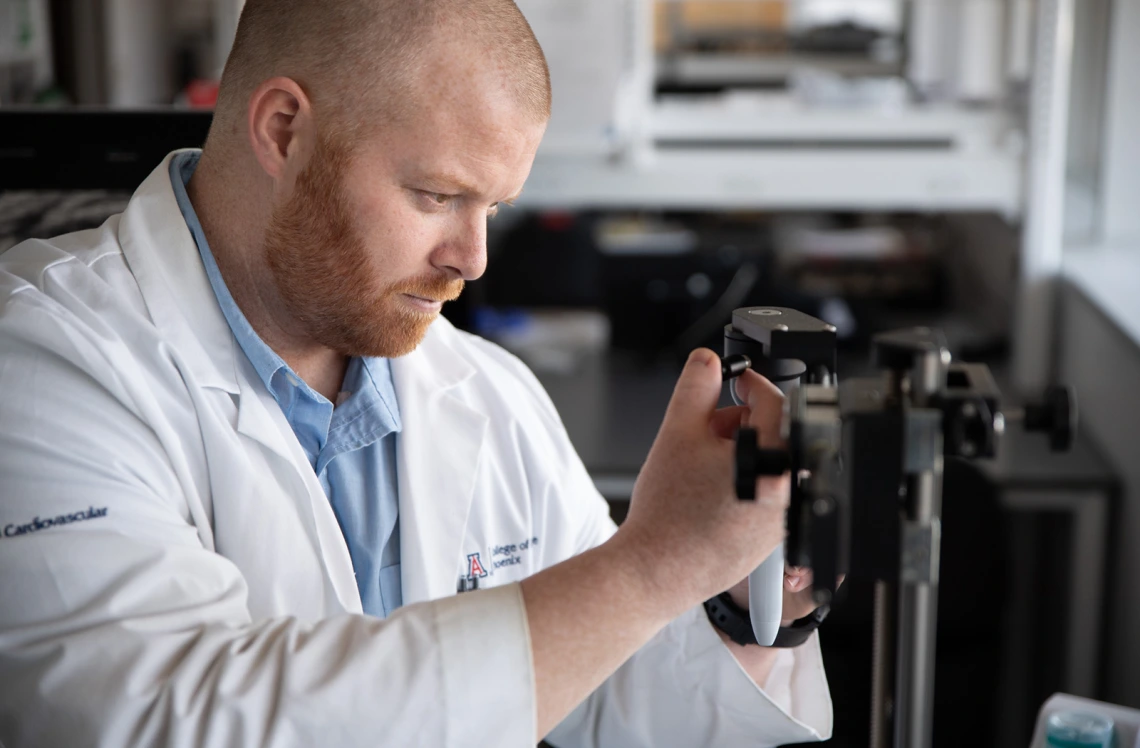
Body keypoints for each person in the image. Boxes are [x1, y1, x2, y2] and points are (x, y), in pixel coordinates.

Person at [0, 1, 832, 745]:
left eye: (493, 210)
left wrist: (746, 598)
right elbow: (163, 719)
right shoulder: (44, 365)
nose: (471, 262)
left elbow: (606, 692)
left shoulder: (484, 391)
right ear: (284, 130)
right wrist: (653, 567)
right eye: (437, 195)